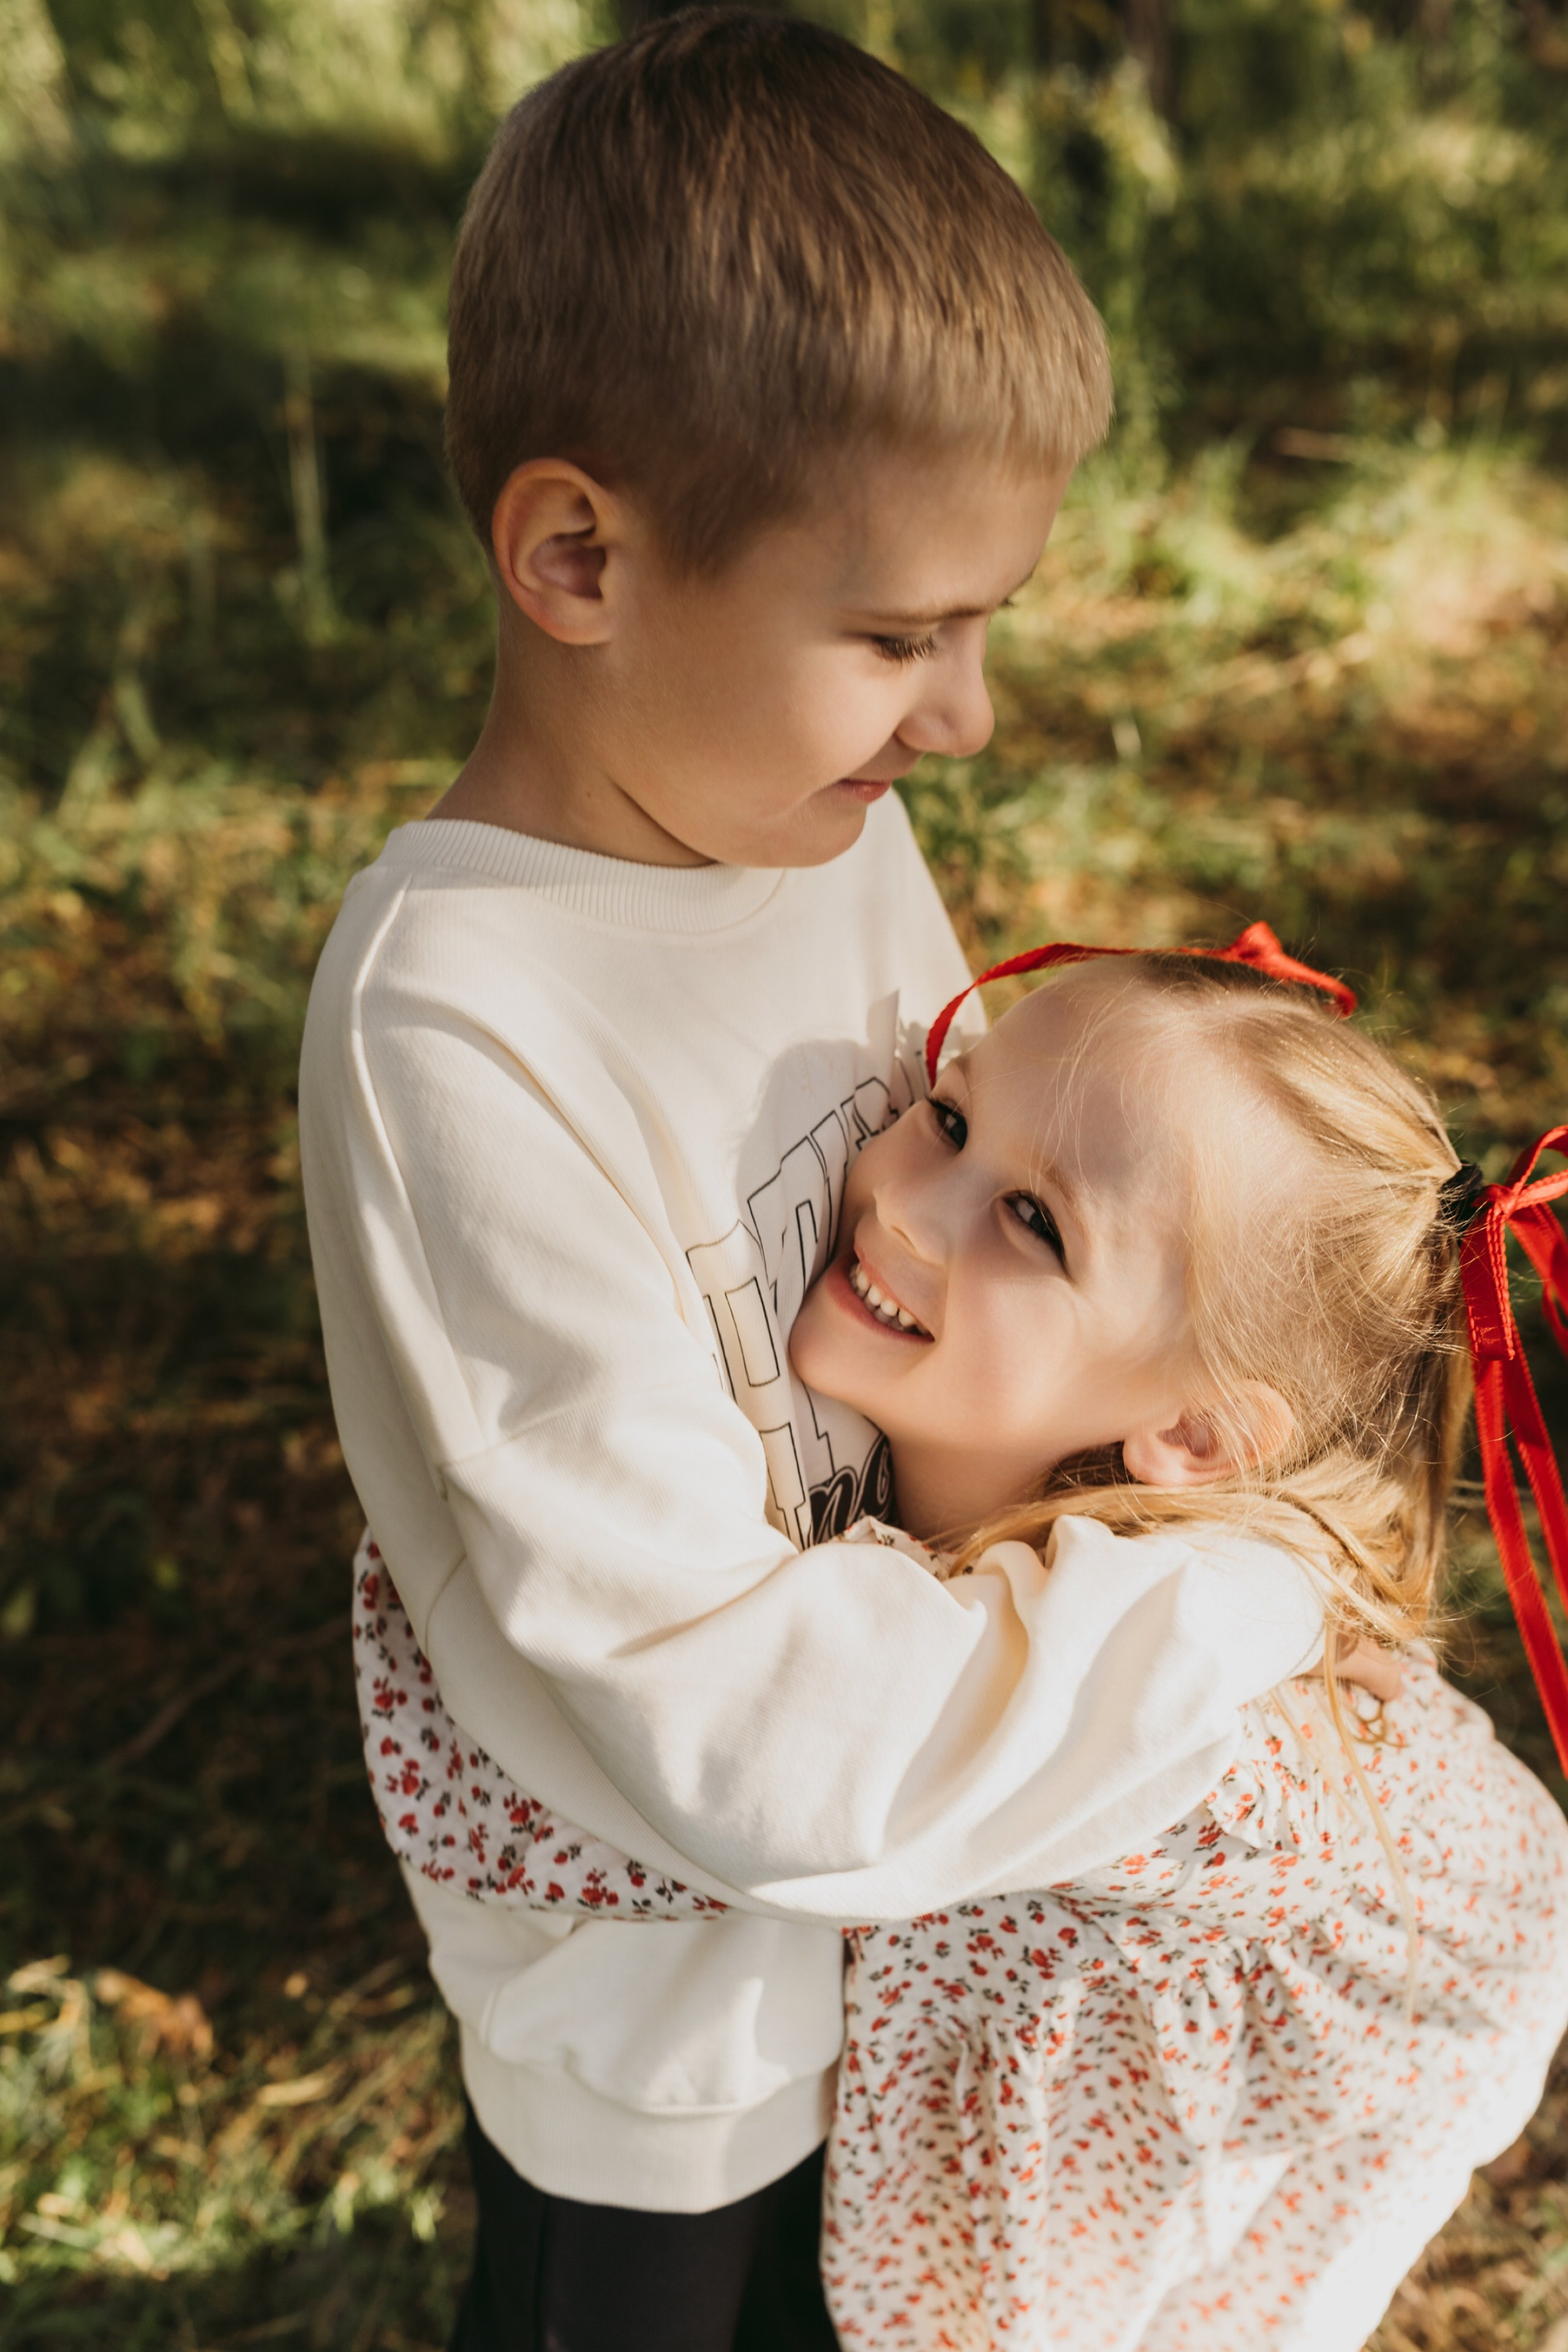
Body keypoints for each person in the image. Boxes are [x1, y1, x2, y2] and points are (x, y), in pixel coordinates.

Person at [301, 12, 1352, 2345]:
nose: (964, 715)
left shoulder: (804, 817)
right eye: (896, 636)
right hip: (666, 1986)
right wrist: (1190, 1632)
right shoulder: (461, 1018)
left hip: (874, 1867)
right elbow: (681, 1675)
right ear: (579, 556)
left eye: (979, 628)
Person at [365, 941, 1568, 2350]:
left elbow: (741, 1795)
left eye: (1032, 1222)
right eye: (946, 1115)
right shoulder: (974, 1472)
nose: (904, 1203)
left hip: (1345, 2034)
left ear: (1187, 1435)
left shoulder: (1167, 1720)